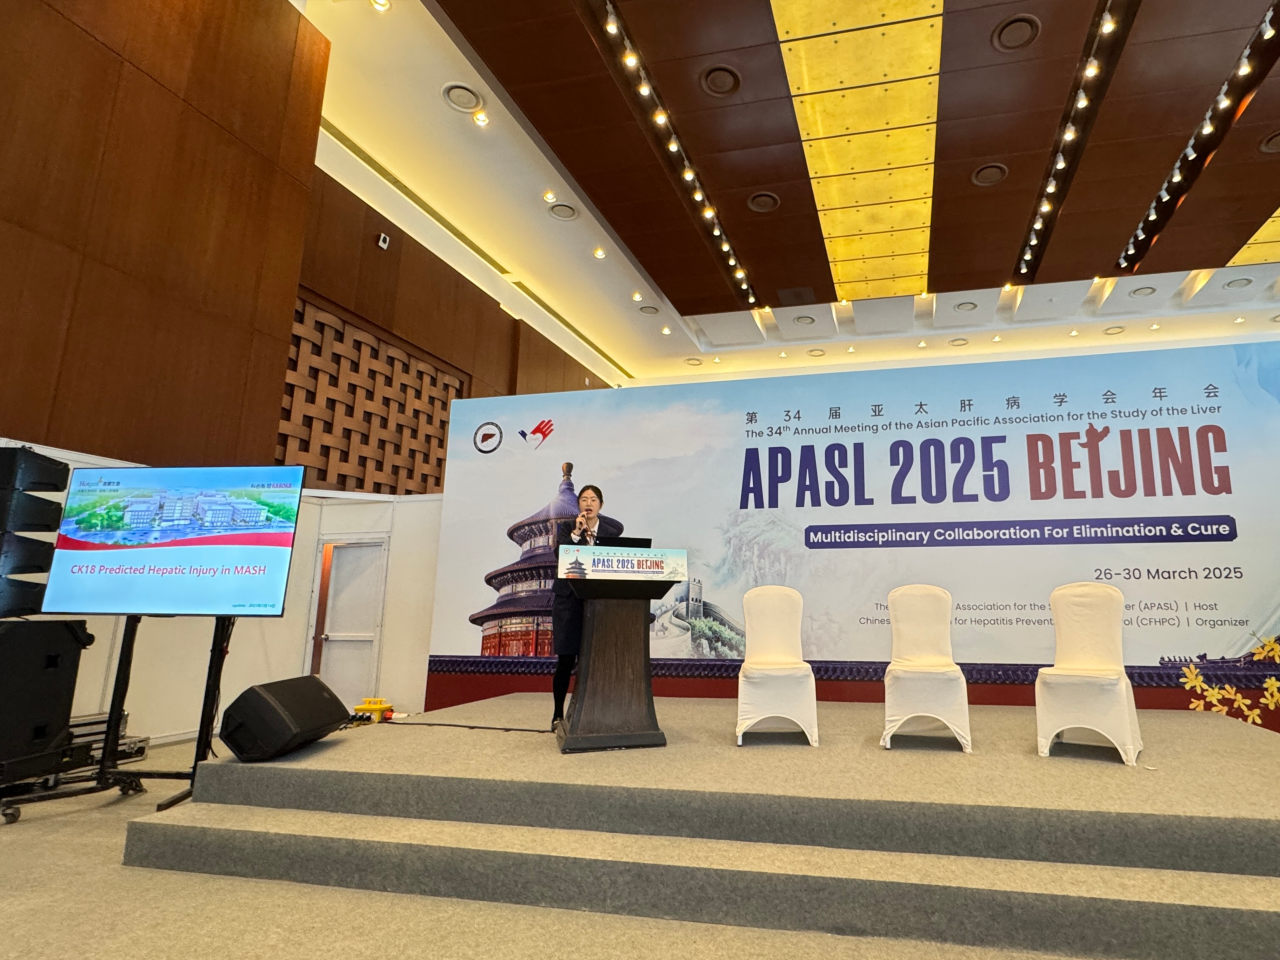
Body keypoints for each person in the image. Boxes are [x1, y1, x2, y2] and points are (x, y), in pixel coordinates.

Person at [551, 484, 623, 728]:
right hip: (568, 601)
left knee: (596, 660)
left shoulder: (611, 531)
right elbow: (561, 557)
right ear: (578, 504)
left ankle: (597, 714)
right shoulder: (566, 528)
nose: (588, 503)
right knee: (566, 660)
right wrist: (576, 533)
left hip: (598, 603)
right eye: (584, 499)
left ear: (601, 505)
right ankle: (557, 715)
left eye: (593, 499)